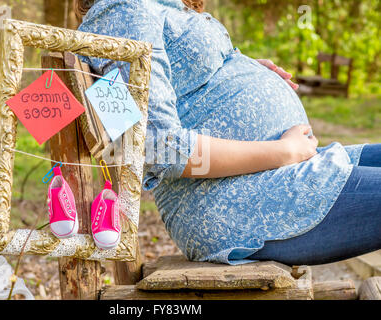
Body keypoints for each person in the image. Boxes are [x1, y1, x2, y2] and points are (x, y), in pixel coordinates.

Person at [76, 0, 381, 265]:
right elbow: (158, 149)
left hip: (269, 176)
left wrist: (244, 69)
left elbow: (177, 82)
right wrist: (283, 151)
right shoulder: (121, 11)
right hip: (235, 198)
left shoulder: (152, 6)